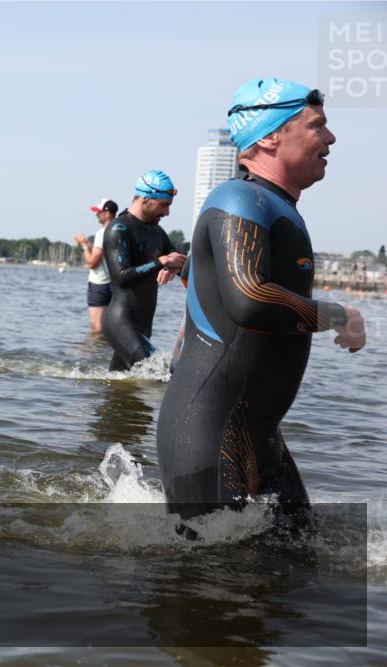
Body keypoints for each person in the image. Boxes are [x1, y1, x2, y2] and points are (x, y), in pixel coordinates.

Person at [157, 78, 365, 523]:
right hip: (209, 435)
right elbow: (249, 300)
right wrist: (339, 315)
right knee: (211, 583)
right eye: (317, 127)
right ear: (271, 136)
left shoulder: (271, 206)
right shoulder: (238, 198)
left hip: (258, 435)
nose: (330, 138)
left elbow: (217, 286)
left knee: (297, 565)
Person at [101, 170, 187, 370]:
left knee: (119, 387)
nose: (167, 213)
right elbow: (122, 277)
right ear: (146, 199)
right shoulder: (119, 229)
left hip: (143, 326)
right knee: (155, 375)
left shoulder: (157, 232)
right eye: (164, 205)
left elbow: (179, 260)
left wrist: (173, 266)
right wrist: (161, 262)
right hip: (120, 322)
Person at [73, 198, 118, 333]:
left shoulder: (102, 233)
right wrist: (90, 245)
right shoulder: (118, 230)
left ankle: (95, 353)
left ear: (107, 213)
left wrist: (84, 246)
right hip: (114, 284)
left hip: (99, 284)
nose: (96, 214)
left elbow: (92, 263)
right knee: (110, 326)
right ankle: (103, 353)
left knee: (97, 328)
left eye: (99, 212)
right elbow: (105, 254)